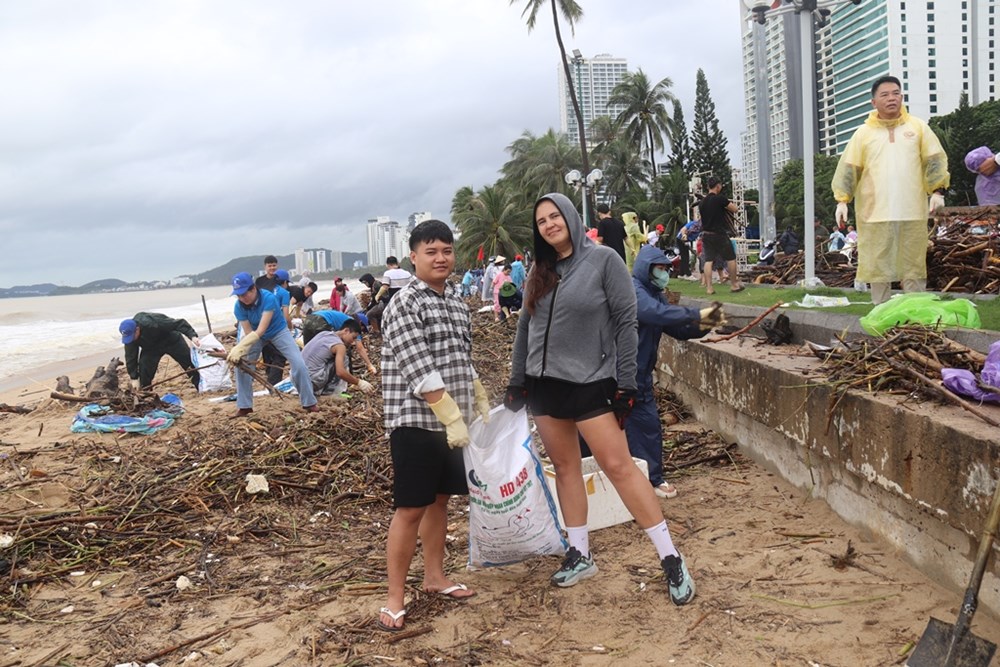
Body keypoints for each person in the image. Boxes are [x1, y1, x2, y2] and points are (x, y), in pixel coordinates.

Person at [505, 192, 696, 606]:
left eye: (555, 216)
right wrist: (517, 379)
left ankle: (670, 557)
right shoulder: (540, 268)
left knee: (619, 467)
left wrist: (626, 384)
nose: (550, 225)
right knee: (566, 467)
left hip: (590, 383)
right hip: (542, 386)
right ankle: (580, 553)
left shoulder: (604, 259)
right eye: (541, 221)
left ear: (570, 216)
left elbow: (627, 322)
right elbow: (525, 327)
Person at [378, 219, 490, 631]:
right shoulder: (405, 303)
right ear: (413, 256)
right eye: (431, 251)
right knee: (410, 507)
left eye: (446, 250)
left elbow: (461, 358)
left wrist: (476, 393)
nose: (440, 258)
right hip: (416, 422)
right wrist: (451, 417)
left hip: (452, 422)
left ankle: (434, 578)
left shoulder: (456, 302)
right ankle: (394, 597)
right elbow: (419, 370)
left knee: (441, 500)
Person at [833, 75, 950, 305]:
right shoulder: (863, 134)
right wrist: (842, 200)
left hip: (912, 211)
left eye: (896, 93)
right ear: (873, 102)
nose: (891, 98)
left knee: (914, 266)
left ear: (902, 97)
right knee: (878, 269)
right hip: (874, 214)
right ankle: (881, 313)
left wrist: (937, 191)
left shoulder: (917, 128)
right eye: (884, 95)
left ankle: (917, 314)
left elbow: (935, 160)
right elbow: (849, 170)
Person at [626, 245, 719, 499]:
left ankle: (651, 478)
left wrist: (705, 324)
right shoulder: (634, 290)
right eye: (660, 269)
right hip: (620, 374)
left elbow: (677, 330)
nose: (664, 273)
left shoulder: (656, 294)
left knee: (646, 427)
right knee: (616, 428)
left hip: (641, 375)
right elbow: (653, 314)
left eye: (667, 269)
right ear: (646, 269)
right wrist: (694, 313)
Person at [224, 272, 318, 417]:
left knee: (298, 363)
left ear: (253, 288)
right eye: (239, 295)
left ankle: (309, 402)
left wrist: (239, 347)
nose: (242, 298)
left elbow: (262, 329)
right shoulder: (239, 307)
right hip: (255, 335)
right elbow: (250, 333)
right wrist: (241, 350)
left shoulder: (269, 298)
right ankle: (244, 406)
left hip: (278, 331)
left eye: (244, 294)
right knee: (241, 366)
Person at [120, 313, 201, 390]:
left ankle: (200, 386)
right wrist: (134, 377)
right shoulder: (129, 337)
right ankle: (146, 393)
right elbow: (130, 357)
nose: (131, 340)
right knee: (144, 371)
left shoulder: (153, 322)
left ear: (137, 329)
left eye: (132, 337)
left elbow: (179, 323)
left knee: (189, 364)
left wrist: (192, 336)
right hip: (151, 348)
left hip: (172, 341)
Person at [301, 318, 374, 396]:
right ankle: (328, 393)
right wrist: (359, 382)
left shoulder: (324, 333)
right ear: (346, 331)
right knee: (344, 359)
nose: (353, 342)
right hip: (311, 382)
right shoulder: (339, 346)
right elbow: (340, 372)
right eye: (353, 338)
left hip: (297, 378)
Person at [699, 177, 744, 295]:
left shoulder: (702, 202)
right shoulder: (720, 199)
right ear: (718, 186)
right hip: (719, 234)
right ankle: (734, 285)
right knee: (731, 258)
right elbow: (735, 209)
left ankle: (709, 288)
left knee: (708, 260)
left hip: (706, 235)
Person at [301, 309, 377, 374]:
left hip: (309, 319)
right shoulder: (353, 326)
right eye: (363, 328)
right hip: (321, 321)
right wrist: (369, 364)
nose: (361, 331)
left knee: (309, 348)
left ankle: (303, 373)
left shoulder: (345, 318)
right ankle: (347, 375)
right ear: (360, 323)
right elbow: (360, 348)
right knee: (341, 350)